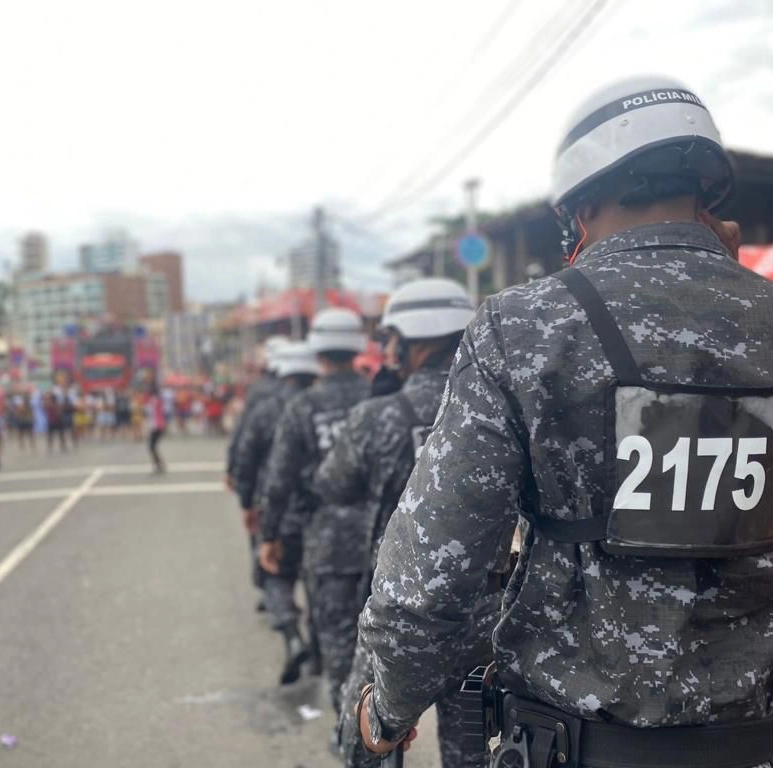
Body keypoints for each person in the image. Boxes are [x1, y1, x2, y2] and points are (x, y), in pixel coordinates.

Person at [355, 75, 773, 769]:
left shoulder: (522, 328)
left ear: (578, 209)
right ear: (706, 196)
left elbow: (434, 572)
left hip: (576, 745)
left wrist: (389, 703)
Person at [315, 279, 510, 768]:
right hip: (487, 610)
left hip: (401, 611)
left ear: (414, 340)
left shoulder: (376, 415)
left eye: (391, 339)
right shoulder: (503, 407)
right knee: (472, 754)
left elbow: (334, 485)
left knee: (364, 740)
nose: (388, 350)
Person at [260, 308, 371, 716]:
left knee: (340, 640)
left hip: (329, 541)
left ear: (318, 352)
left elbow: (279, 480)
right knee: (385, 640)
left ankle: (351, 733)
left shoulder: (304, 407)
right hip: (385, 537)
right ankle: (386, 733)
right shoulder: (379, 396)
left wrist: (269, 535)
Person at [234, 340, 321, 684]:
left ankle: (291, 635)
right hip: (317, 513)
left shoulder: (265, 407)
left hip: (279, 508)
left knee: (274, 574)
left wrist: (247, 503)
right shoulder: (318, 405)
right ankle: (317, 652)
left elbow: (246, 456)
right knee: (317, 584)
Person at [146, 384, 167, 474]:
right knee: (152, 447)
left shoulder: (156, 401)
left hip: (157, 426)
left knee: (152, 447)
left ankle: (159, 464)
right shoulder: (151, 401)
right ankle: (158, 464)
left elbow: (159, 411)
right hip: (154, 426)